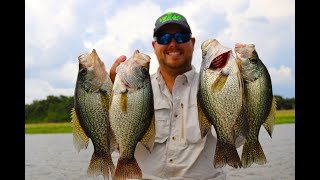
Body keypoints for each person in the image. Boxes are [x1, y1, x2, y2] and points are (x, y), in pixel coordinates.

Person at [109, 11, 244, 180]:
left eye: (181, 37)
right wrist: (109, 93)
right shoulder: (134, 89)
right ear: (154, 45)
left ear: (192, 42)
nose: (173, 43)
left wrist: (241, 92)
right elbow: (113, 145)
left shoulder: (211, 86)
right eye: (164, 38)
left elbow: (237, 141)